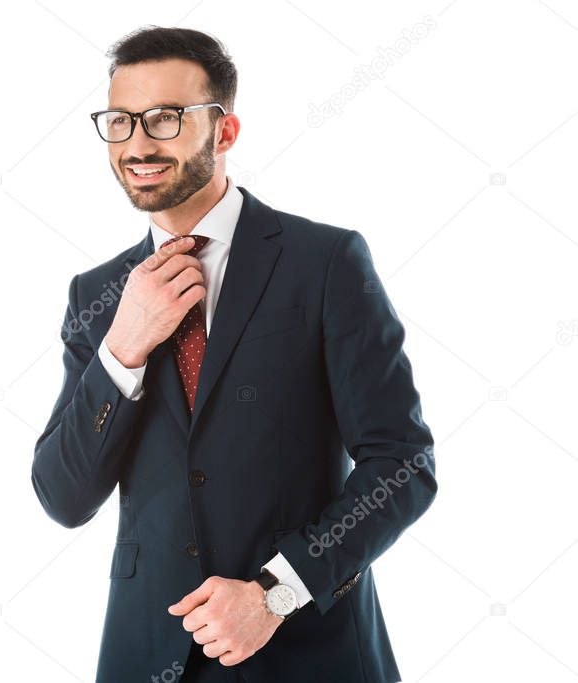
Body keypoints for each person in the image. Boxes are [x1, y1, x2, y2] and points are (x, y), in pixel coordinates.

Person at [31, 26, 436, 683]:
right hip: (146, 657)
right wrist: (122, 347)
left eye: (164, 119)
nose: (136, 143)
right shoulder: (99, 297)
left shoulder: (324, 263)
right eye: (119, 121)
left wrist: (277, 590)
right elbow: (63, 494)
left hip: (309, 653)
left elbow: (403, 463)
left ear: (223, 132)